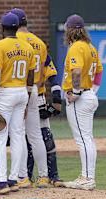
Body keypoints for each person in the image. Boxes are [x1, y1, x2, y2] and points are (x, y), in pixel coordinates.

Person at [0, 12, 36, 195]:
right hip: (22, 91)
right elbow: (31, 75)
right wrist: (28, 98)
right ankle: (14, 180)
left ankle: (1, 183)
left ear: (2, 28)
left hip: (5, 93)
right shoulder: (27, 46)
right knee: (18, 135)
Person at [62, 14, 103, 190]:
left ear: (70, 30)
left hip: (80, 97)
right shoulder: (90, 47)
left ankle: (87, 177)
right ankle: (87, 176)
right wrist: (92, 91)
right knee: (87, 138)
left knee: (83, 139)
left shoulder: (76, 47)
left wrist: (78, 92)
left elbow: (77, 72)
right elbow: (100, 71)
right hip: (88, 95)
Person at [9, 8, 49, 188]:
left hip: (18, 90)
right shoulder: (39, 42)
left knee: (18, 134)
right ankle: (43, 177)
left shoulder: (13, 41)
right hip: (35, 91)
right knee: (36, 136)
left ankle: (23, 177)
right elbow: (41, 73)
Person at [26, 54, 64, 187]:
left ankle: (52, 176)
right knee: (26, 138)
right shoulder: (27, 48)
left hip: (37, 97)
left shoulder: (40, 51)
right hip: (23, 97)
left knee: (45, 136)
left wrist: (57, 99)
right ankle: (27, 176)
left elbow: (53, 78)